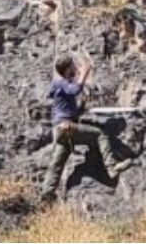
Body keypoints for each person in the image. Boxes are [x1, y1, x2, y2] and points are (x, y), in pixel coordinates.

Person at [40, 55, 133, 201]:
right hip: (66, 127)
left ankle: (47, 193)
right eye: (72, 66)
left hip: (61, 130)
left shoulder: (60, 85)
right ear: (67, 68)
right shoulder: (61, 83)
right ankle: (111, 167)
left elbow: (69, 106)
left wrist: (81, 106)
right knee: (99, 135)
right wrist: (84, 73)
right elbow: (75, 90)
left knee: (58, 162)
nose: (74, 68)